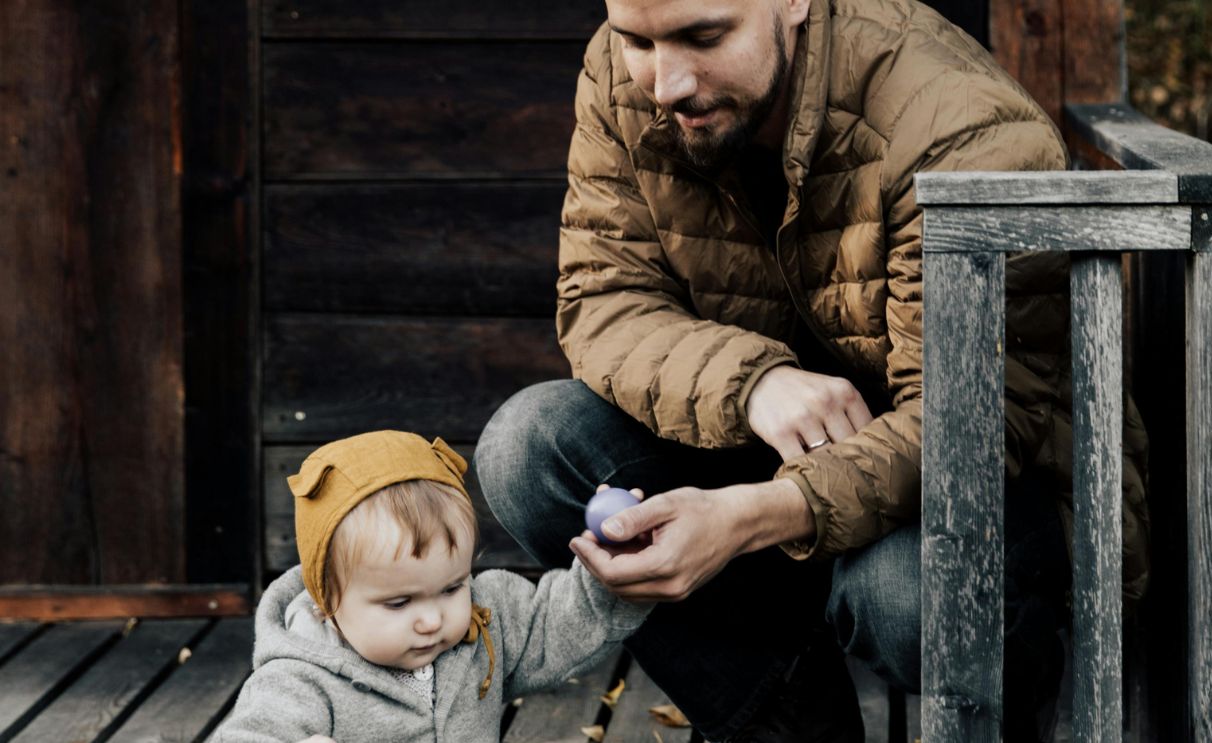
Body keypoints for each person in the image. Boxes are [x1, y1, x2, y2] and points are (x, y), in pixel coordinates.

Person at [474, 0, 1151, 741]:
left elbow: (971, 423)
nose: (664, 82)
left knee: (902, 594)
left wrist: (746, 516)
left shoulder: (960, 123)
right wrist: (749, 383)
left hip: (973, 478)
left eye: (704, 36)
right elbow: (604, 299)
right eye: (637, 39)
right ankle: (793, 729)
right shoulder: (619, 80)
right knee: (529, 447)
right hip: (767, 455)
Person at [211, 430, 651, 742]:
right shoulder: (300, 679)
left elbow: (554, 625)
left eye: (451, 587)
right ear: (328, 601)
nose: (432, 619)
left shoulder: (484, 623)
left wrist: (611, 570)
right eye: (399, 602)